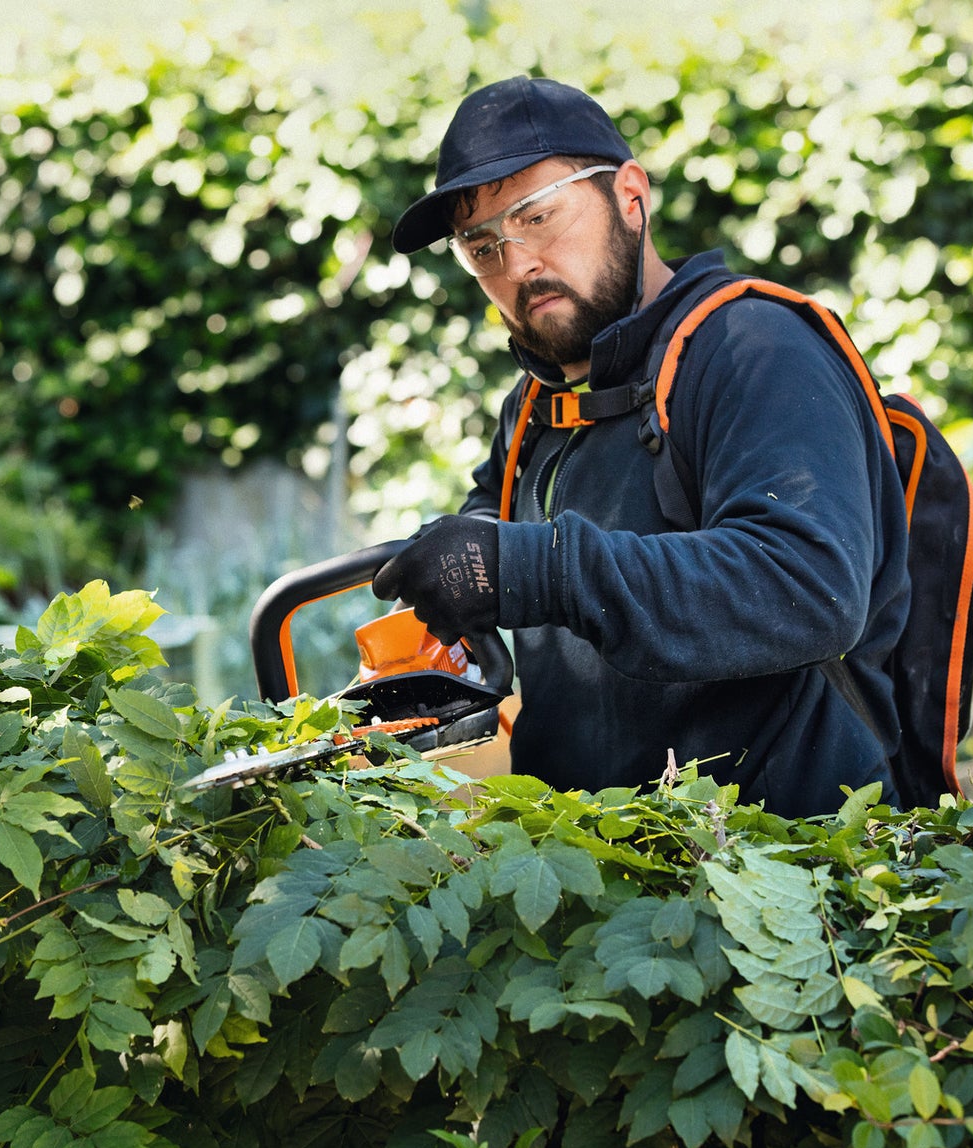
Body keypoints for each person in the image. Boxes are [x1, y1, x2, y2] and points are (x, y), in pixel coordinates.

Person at [369, 76, 912, 817]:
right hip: (583, 871)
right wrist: (454, 631)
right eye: (481, 244)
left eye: (537, 215)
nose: (517, 263)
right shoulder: (533, 412)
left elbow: (809, 584)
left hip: (785, 873)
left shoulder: (756, 349)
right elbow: (495, 565)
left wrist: (532, 568)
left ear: (630, 195)